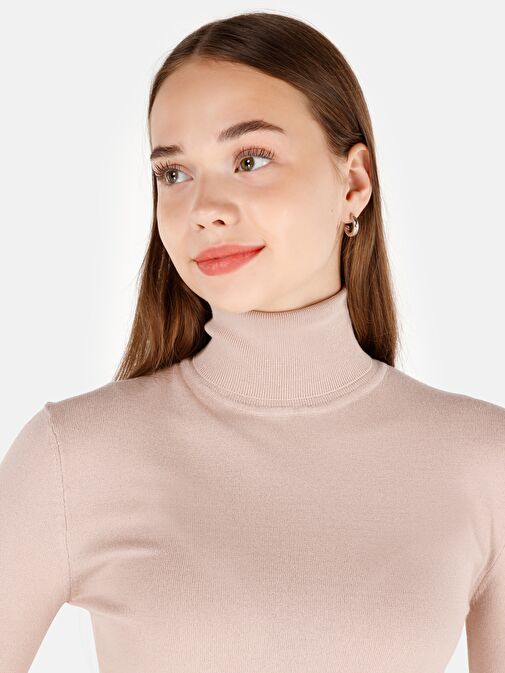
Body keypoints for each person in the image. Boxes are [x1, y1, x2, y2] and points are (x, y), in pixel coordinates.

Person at [1, 11, 504, 673]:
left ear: (353, 182)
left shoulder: (482, 461)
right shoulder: (72, 455)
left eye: (250, 159)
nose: (204, 208)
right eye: (173, 173)